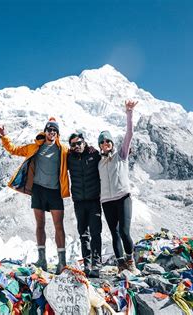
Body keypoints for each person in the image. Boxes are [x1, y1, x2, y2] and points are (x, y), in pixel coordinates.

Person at [0, 118, 70, 274]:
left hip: (55, 191)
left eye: (55, 130)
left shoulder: (63, 150)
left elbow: (77, 158)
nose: (52, 133)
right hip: (38, 190)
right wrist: (4, 136)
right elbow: (14, 149)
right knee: (40, 224)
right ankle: (42, 260)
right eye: (49, 130)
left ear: (58, 133)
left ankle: (62, 262)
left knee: (58, 225)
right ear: (45, 131)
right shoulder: (35, 147)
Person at [98, 100, 140, 275]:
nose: (105, 143)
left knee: (124, 231)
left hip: (123, 197)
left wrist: (129, 113)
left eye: (107, 141)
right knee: (114, 234)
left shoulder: (121, 155)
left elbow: (129, 134)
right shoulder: (99, 163)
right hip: (107, 201)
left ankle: (130, 261)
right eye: (102, 142)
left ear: (112, 143)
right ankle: (120, 265)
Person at [67, 132, 102, 278]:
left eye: (79, 143)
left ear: (84, 142)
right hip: (79, 202)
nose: (77, 146)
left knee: (96, 233)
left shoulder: (95, 155)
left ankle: (97, 264)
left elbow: (109, 160)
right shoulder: (69, 158)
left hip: (94, 200)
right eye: (73, 144)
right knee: (83, 234)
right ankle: (87, 264)